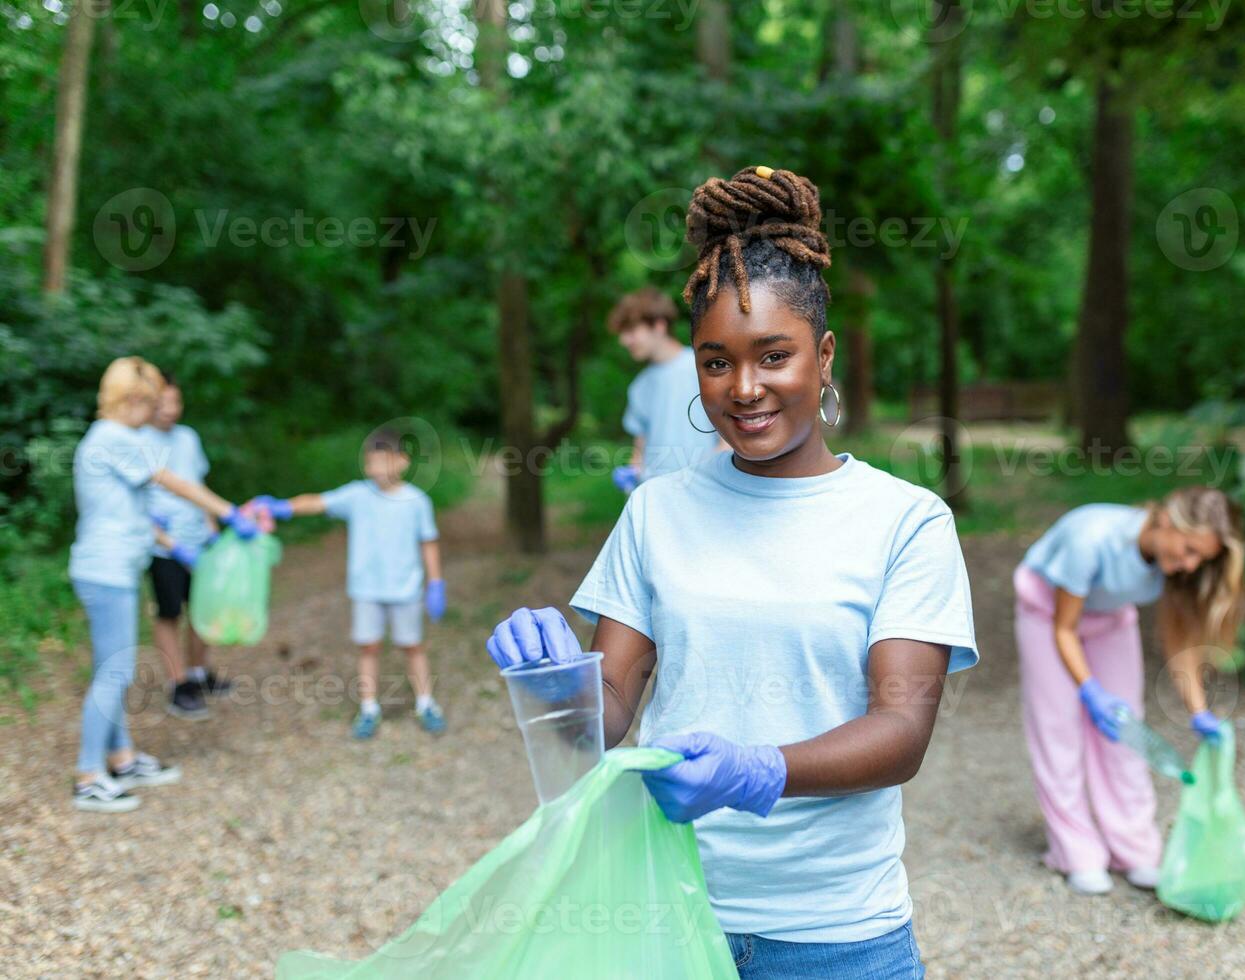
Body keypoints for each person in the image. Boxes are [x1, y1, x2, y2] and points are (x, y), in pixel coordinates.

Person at [488, 166, 977, 978]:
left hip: (838, 934)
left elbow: (902, 732)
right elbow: (604, 723)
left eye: (773, 356)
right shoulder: (656, 512)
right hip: (671, 916)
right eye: (716, 362)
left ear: (822, 358)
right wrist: (552, 687)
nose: (744, 388)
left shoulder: (906, 520)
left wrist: (758, 771)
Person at [1013, 489, 1245, 896]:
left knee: (1126, 734)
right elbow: (1063, 630)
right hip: (1048, 614)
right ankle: (1076, 852)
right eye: (1189, 549)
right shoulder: (1091, 538)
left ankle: (1135, 849)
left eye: (1200, 558)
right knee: (1060, 731)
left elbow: (1180, 646)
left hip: (1108, 617)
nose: (1189, 564)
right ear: (1167, 521)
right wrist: (1090, 690)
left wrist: (1198, 712)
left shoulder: (1171, 566)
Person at [70, 357, 260, 813]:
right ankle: (89, 775)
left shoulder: (114, 438)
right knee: (114, 673)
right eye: (149, 403)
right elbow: (171, 481)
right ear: (133, 400)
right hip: (106, 570)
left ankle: (120, 756)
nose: (153, 412)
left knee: (113, 668)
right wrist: (230, 510)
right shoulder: (112, 437)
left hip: (114, 568)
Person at [251, 427, 447, 739]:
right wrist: (283, 507)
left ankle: (426, 703)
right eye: (371, 463)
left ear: (402, 461)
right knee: (368, 647)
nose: (376, 470)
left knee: (413, 646)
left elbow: (428, 542)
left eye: (383, 462)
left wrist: (435, 582)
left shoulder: (416, 501)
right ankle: (369, 709)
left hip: (405, 589)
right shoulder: (357, 495)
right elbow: (318, 502)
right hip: (367, 590)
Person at [141, 374, 228, 721]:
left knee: (203, 608)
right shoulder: (137, 442)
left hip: (198, 540)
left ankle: (198, 672)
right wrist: (170, 544)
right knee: (169, 612)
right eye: (162, 403)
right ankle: (179, 685)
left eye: (175, 402)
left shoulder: (188, 438)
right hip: (164, 547)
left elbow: (198, 486)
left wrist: (213, 528)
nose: (170, 410)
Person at [607, 286, 725, 491]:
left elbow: (728, 438)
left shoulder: (703, 367)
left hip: (706, 491)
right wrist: (633, 475)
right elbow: (640, 448)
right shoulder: (639, 386)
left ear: (658, 326)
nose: (624, 341)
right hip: (658, 497)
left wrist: (700, 481)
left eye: (631, 331)